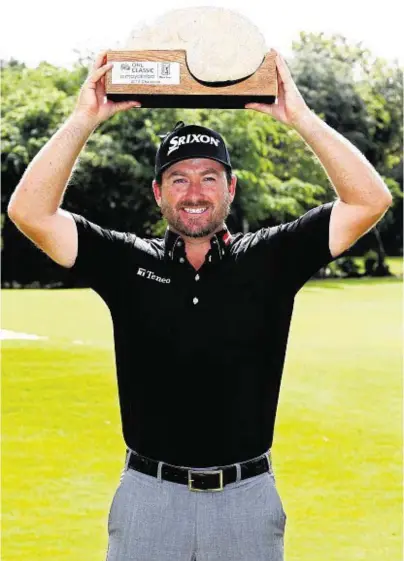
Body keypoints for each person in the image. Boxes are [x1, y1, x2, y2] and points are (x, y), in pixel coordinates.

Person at [7, 50, 392, 561]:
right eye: (179, 178)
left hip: (246, 501)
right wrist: (83, 119)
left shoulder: (268, 258)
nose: (195, 192)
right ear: (158, 193)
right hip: (148, 499)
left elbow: (370, 200)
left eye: (209, 177)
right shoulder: (125, 261)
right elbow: (28, 210)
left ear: (231, 188)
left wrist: (299, 117)